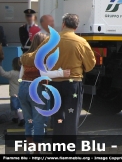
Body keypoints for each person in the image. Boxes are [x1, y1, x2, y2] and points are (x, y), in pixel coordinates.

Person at [21, 13, 96, 153]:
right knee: (72, 119)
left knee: (58, 118)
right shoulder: (81, 42)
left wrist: (22, 59)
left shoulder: (51, 40)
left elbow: (34, 57)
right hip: (73, 85)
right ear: (76, 26)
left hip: (55, 86)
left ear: (63, 24)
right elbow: (90, 65)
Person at [19, 33, 70, 153]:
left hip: (23, 88)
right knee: (38, 122)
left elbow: (21, 76)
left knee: (29, 120)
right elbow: (43, 73)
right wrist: (61, 73)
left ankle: (29, 150)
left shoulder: (26, 56)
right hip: (36, 89)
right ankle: (36, 151)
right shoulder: (43, 56)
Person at [0, 48, 24, 126]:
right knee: (18, 106)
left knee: (16, 107)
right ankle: (16, 118)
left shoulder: (12, 73)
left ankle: (21, 119)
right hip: (22, 93)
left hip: (14, 93)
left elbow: (3, 74)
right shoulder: (23, 73)